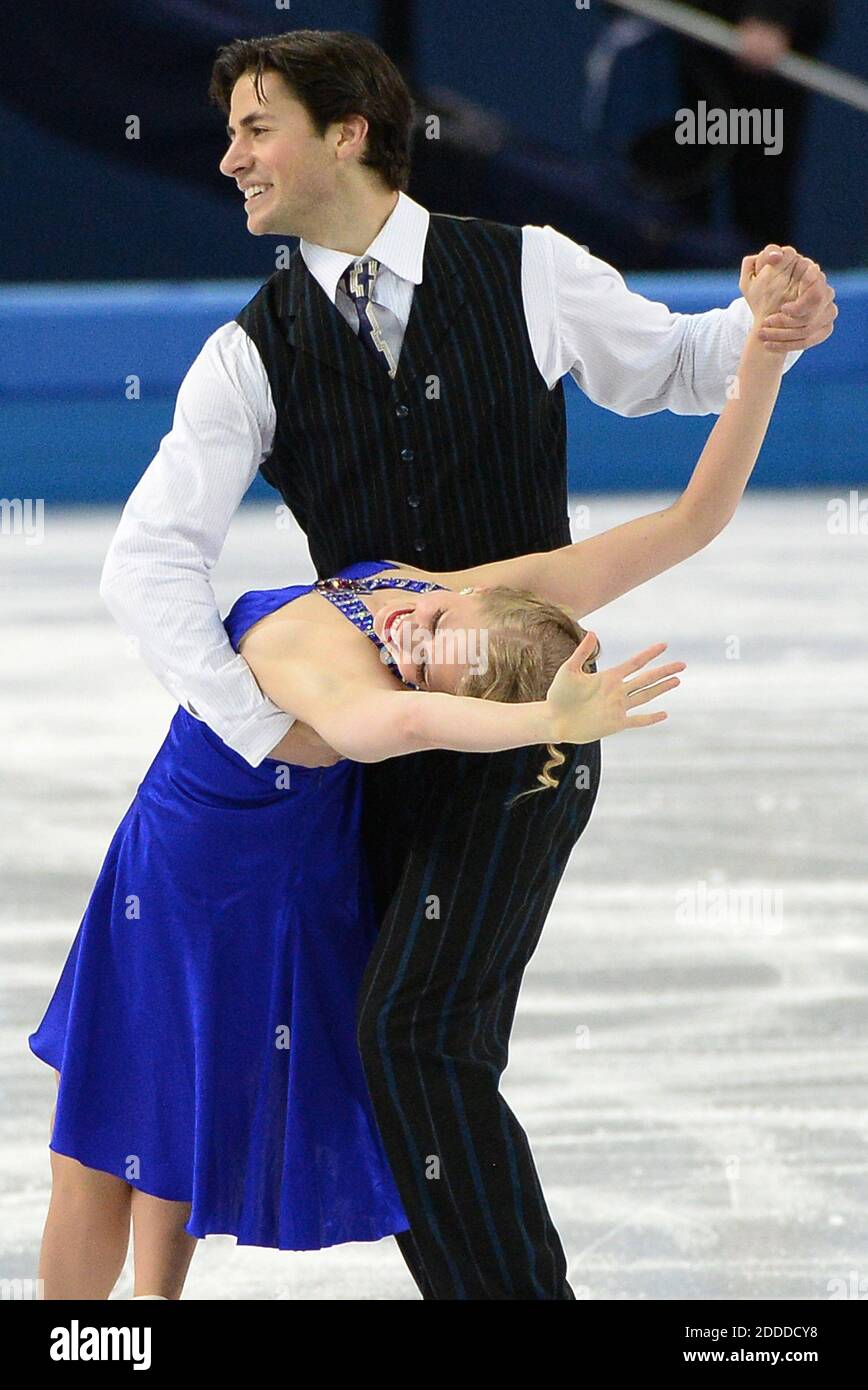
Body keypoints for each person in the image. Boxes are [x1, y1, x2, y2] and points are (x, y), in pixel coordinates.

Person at [92, 30, 836, 1299]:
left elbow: (677, 371)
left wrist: (769, 325)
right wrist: (271, 731)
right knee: (393, 1059)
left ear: (350, 132)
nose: (229, 158)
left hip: (532, 721)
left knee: (411, 1037)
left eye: (257, 127)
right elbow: (145, 562)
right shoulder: (249, 351)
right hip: (366, 761)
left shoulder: (525, 269)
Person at [672, 1, 836, 245]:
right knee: (672, 203)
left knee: (761, 202)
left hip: (762, 71)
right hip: (676, 46)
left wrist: (771, 14)